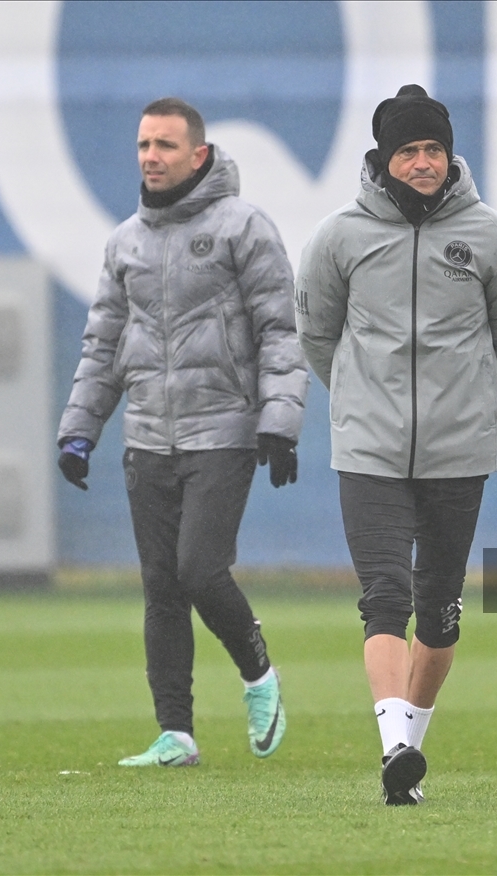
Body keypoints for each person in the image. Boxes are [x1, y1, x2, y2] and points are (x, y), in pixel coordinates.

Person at [296, 85, 497, 804]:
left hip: (459, 451)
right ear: (384, 159)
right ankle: (392, 745)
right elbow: (318, 337)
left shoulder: (492, 237)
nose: (424, 162)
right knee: (384, 597)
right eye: (410, 150)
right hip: (368, 450)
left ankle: (410, 752)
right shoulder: (339, 238)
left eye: (434, 149)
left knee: (439, 608)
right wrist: (364, 405)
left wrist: (466, 404)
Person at [57, 97, 307, 767]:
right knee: (161, 585)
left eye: (165, 145)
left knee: (199, 570)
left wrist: (280, 421)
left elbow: (281, 332)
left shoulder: (244, 227)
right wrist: (79, 429)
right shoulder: (124, 242)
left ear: (198, 155)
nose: (150, 156)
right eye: (143, 144)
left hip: (222, 431)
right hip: (147, 440)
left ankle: (260, 674)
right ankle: (177, 733)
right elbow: (103, 344)